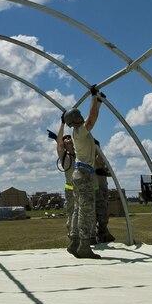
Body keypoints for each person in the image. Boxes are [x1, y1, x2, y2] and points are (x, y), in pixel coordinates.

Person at [63, 86, 104, 259]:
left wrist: (97, 101)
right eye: (79, 115)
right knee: (86, 211)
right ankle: (84, 246)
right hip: (84, 174)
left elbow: (91, 118)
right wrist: (94, 98)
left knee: (79, 209)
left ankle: (74, 242)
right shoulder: (80, 131)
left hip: (79, 174)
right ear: (76, 119)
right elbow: (92, 119)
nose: (82, 116)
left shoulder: (77, 131)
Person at [53, 128, 76, 253]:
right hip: (71, 190)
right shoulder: (64, 156)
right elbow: (59, 144)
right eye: (65, 138)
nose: (67, 139)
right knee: (72, 215)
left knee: (86, 214)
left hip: (81, 189)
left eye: (69, 137)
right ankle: (73, 239)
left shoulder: (79, 153)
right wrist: (62, 123)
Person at [94, 146, 116, 245]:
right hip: (95, 189)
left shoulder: (102, 161)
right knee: (96, 214)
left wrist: (105, 173)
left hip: (102, 188)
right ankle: (99, 235)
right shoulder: (90, 159)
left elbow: (111, 172)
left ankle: (103, 234)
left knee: (104, 214)